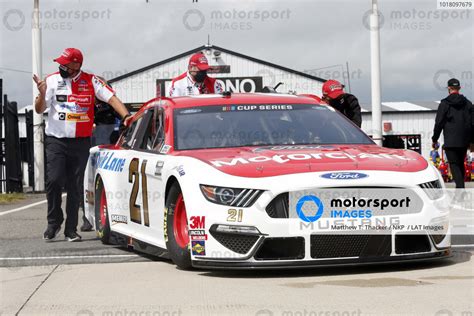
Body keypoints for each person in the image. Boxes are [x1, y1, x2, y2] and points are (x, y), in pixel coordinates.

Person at [34, 48, 132, 242]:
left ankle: (71, 229)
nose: (61, 66)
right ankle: (53, 222)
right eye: (60, 63)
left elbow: (111, 98)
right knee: (54, 180)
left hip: (80, 141)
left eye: (66, 64)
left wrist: (127, 116)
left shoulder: (91, 81)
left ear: (76, 65)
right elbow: (39, 109)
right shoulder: (52, 81)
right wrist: (42, 93)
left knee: (75, 185)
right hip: (56, 140)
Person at [432, 78, 473, 189]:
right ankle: (460, 190)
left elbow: (439, 123)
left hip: (450, 141)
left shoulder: (444, 104)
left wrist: (434, 139)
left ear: (449, 88)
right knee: (460, 165)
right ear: (459, 88)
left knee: (454, 165)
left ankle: (460, 191)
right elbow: (472, 123)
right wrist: (472, 142)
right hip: (464, 141)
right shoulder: (468, 104)